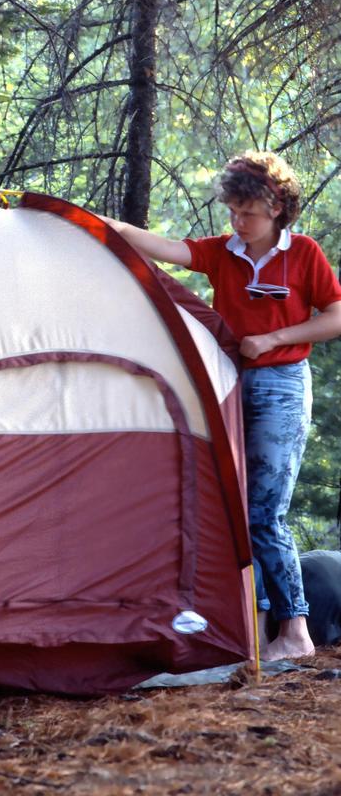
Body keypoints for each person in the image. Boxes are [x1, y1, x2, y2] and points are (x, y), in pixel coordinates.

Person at [102, 151, 341, 661]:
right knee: (226, 504)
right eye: (232, 210)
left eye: (247, 211)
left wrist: (275, 336)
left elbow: (335, 316)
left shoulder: (304, 254)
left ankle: (295, 633)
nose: (237, 221)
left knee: (264, 512)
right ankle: (243, 628)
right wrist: (95, 223)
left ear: (276, 207)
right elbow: (163, 247)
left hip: (282, 386)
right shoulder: (221, 251)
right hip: (226, 385)